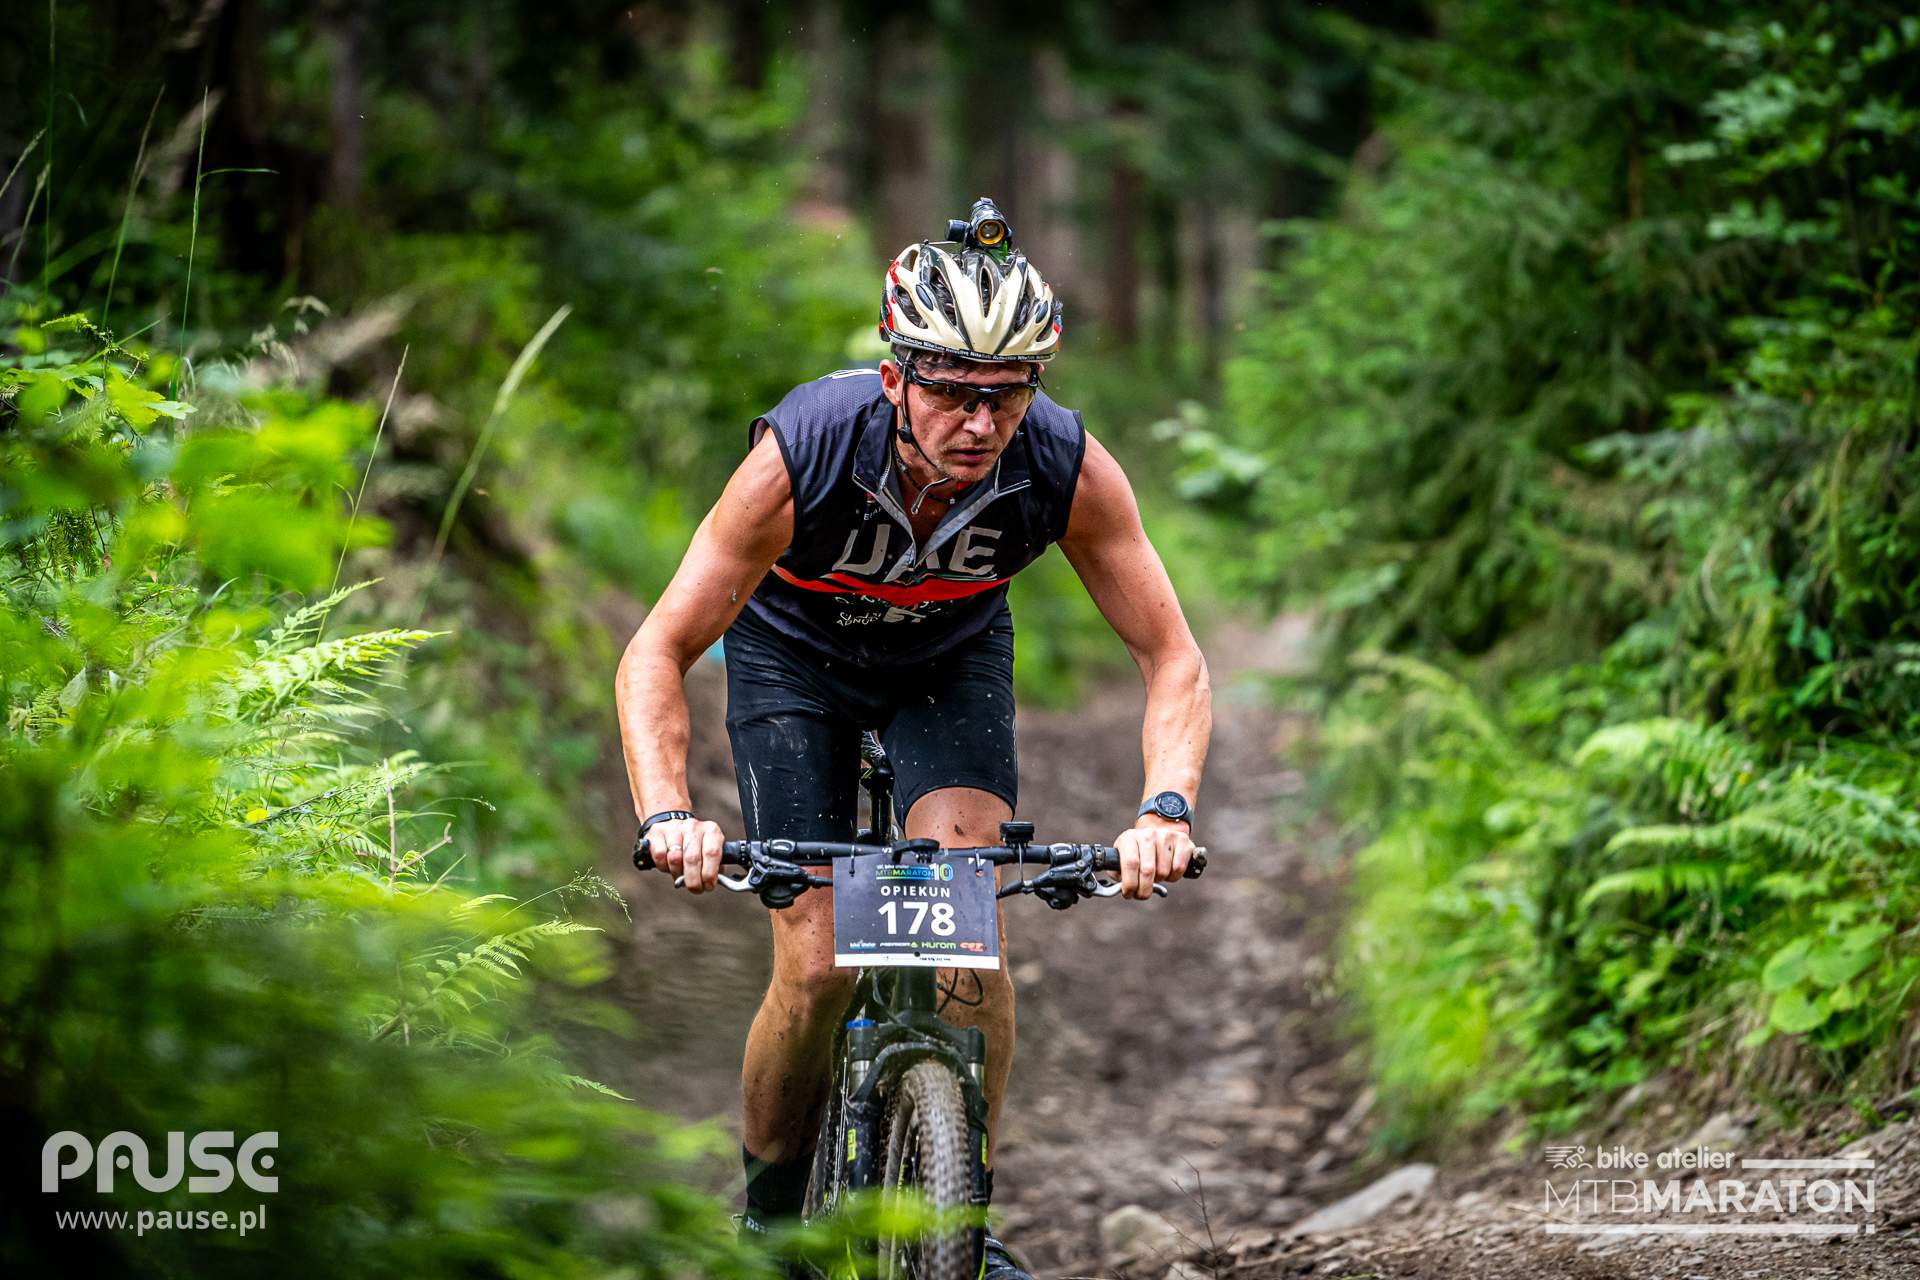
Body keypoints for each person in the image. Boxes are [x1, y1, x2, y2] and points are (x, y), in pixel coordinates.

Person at [615, 198, 1211, 1280]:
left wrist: (1164, 809)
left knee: (967, 945)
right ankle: (772, 1227)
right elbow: (657, 649)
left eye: (1006, 393)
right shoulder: (803, 453)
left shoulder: (1063, 465)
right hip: (795, 661)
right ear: (895, 378)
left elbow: (1172, 655)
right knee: (818, 956)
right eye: (950, 391)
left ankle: (959, 1221)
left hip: (947, 663)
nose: (980, 422)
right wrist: (667, 811)